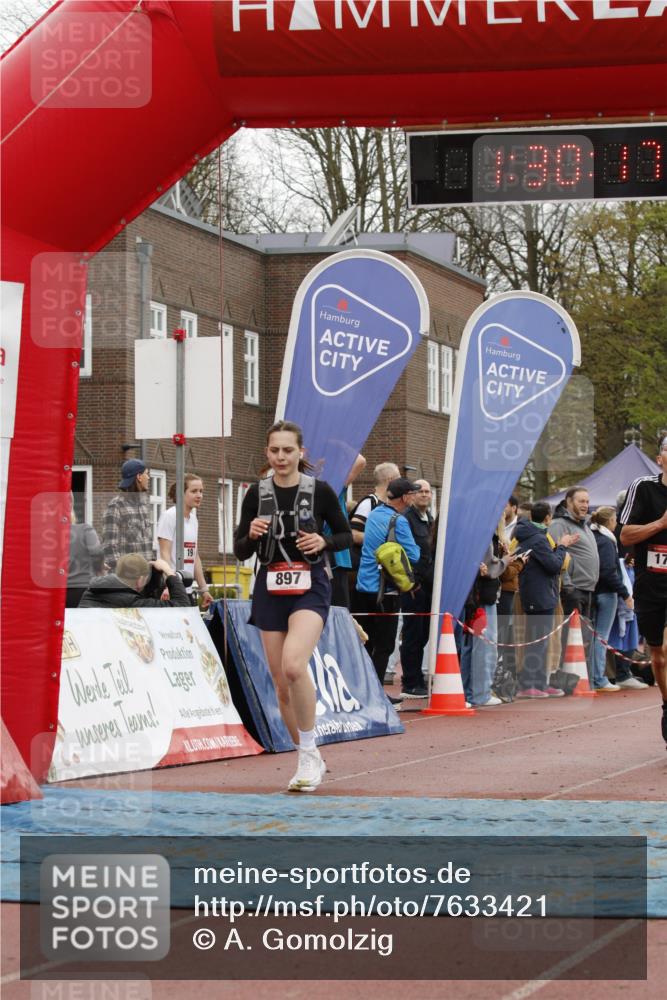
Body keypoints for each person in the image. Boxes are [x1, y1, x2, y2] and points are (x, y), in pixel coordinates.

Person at [234, 420, 352, 792]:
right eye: (274, 450)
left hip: (310, 585)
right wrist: (250, 536)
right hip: (270, 586)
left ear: (300, 453)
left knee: (294, 665)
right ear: (267, 453)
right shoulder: (257, 493)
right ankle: (307, 754)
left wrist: (324, 541)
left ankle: (309, 751)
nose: (281, 457)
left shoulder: (320, 491)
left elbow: (348, 535)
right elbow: (239, 549)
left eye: (288, 450)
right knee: (281, 684)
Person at [354, 478, 421, 702]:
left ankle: (363, 691)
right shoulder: (398, 521)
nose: (414, 497)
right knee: (385, 645)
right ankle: (375, 695)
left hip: (364, 586)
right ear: (404, 497)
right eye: (412, 493)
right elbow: (414, 555)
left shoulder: (374, 514)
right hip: (386, 590)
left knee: (368, 642)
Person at [620, 435, 667, 747]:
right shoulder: (644, 487)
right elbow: (625, 535)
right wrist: (660, 523)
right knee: (659, 656)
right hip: (651, 584)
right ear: (660, 457)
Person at [514, 502, 579, 698]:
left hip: (542, 594)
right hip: (538, 595)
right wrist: (562, 546)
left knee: (542, 642)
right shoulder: (538, 540)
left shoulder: (535, 537)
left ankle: (541, 683)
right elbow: (554, 565)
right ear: (548, 517)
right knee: (536, 642)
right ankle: (528, 684)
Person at [550, 487, 600, 673]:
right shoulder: (559, 525)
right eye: (581, 501)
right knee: (569, 637)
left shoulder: (584, 525)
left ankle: (578, 677)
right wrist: (568, 585)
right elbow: (555, 555)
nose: (585, 505)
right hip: (573, 589)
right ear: (569, 502)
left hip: (587, 588)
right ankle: (564, 677)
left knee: (583, 637)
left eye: (587, 501)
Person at [590, 506, 633, 692]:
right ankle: (599, 679)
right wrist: (624, 593)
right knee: (601, 637)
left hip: (594, 591)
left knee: (594, 637)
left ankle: (595, 676)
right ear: (610, 522)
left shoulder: (593, 537)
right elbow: (608, 571)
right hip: (607, 593)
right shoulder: (607, 542)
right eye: (615, 519)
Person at [399, 479, 434, 698]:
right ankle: (410, 681)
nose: (424, 494)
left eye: (428, 491)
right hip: (414, 586)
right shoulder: (406, 520)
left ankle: (417, 676)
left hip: (430, 586)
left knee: (423, 634)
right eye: (420, 491)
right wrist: (411, 582)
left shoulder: (430, 520)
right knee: (412, 633)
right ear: (412, 495)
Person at [157, 474, 212, 608]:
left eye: (201, 491)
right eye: (194, 491)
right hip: (170, 589)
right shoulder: (169, 516)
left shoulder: (193, 520)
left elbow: (194, 557)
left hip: (187, 589)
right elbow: (164, 554)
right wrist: (168, 586)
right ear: (181, 493)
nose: (199, 495)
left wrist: (204, 589)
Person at [79, 555, 190, 608]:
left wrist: (154, 576)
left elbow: (144, 594)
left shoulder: (91, 591)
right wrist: (169, 572)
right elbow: (182, 606)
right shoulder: (132, 602)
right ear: (140, 580)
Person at [102, 459, 153, 570]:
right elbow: (110, 547)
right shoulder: (116, 506)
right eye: (146, 474)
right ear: (139, 477)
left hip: (145, 579)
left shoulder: (144, 505)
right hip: (126, 579)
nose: (148, 478)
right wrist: (125, 574)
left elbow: (146, 546)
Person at [66, 499, 105, 608]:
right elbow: (97, 552)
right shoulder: (84, 529)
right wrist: (99, 569)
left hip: (55, 593)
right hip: (83, 590)